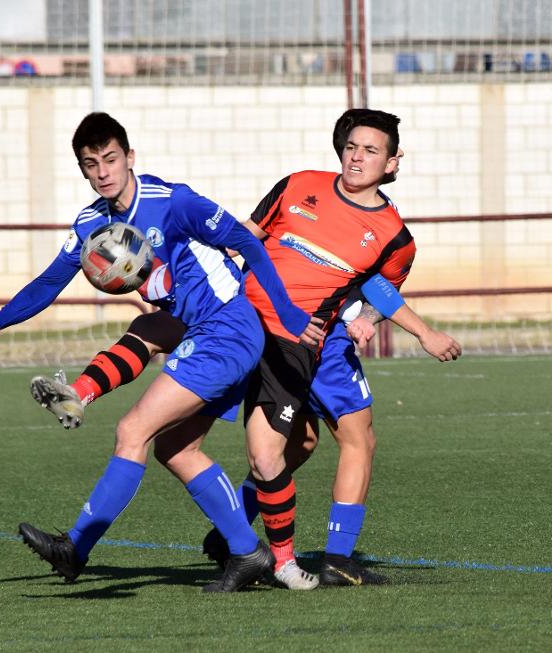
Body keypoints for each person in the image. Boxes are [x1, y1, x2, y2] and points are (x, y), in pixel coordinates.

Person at [25, 109, 460, 590]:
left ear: (393, 162)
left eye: (370, 151)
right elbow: (246, 237)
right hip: (243, 322)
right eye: (351, 147)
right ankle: (256, 548)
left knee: (325, 441)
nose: (357, 158)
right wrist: (199, 287)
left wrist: (383, 324)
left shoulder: (395, 236)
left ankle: (314, 554)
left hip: (315, 341)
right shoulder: (297, 185)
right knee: (195, 429)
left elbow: (381, 288)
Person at [0, 111, 326, 592]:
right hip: (192, 328)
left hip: (228, 329)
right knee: (175, 448)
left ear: (130, 157)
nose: (103, 172)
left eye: (111, 159)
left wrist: (285, 312)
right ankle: (247, 553)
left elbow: (246, 240)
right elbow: (50, 282)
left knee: (132, 429)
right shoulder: (92, 223)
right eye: (91, 164)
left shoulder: (173, 202)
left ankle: (75, 548)